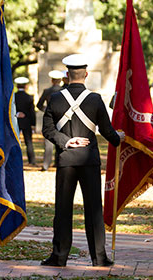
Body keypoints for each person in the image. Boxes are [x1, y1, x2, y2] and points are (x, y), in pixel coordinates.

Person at [41, 54, 123, 268]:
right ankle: (99, 257)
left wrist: (67, 141)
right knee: (94, 209)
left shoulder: (56, 99)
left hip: (66, 159)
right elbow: (106, 130)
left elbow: (47, 130)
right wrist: (119, 138)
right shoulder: (95, 99)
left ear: (67, 76)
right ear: (86, 75)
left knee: (63, 209)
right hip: (89, 160)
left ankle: (59, 256)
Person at [37, 70, 65, 171]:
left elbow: (39, 105)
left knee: (48, 142)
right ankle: (59, 162)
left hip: (49, 118)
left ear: (52, 80)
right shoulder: (64, 91)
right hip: (62, 118)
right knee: (61, 139)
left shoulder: (47, 91)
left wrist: (47, 110)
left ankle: (46, 164)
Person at [14, 77, 37, 165]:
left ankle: (15, 160)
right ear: (26, 86)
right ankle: (32, 161)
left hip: (15, 121)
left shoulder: (13, 97)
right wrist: (33, 124)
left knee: (15, 141)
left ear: (16, 86)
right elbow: (32, 112)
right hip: (26, 122)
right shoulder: (29, 97)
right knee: (28, 142)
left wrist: (16, 114)